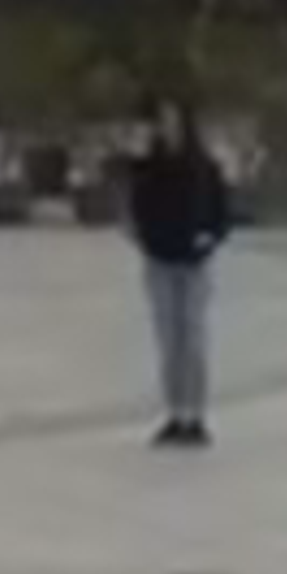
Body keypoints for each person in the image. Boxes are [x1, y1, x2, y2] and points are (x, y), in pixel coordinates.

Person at [120, 93, 232, 445]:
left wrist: (209, 237)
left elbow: (221, 212)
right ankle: (174, 413)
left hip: (194, 263)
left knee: (193, 338)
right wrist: (142, 236)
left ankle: (195, 414)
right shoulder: (148, 167)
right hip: (160, 261)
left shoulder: (204, 167)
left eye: (172, 120)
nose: (166, 128)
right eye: (162, 121)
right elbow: (135, 207)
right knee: (169, 341)